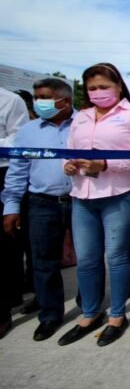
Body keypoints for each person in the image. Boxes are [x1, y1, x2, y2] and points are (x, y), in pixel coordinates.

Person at [58, 63, 130, 347]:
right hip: (82, 196)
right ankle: (90, 313)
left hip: (118, 194)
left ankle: (117, 315)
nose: (98, 93)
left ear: (119, 87)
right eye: (92, 88)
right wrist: (68, 164)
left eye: (104, 87)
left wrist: (106, 164)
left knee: (116, 257)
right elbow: (69, 149)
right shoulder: (82, 117)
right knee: (87, 259)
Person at [2, 79, 74, 341]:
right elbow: (18, 170)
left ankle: (91, 308)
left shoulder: (85, 125)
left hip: (81, 200)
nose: (37, 102)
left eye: (44, 97)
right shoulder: (28, 131)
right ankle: (50, 315)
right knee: (43, 262)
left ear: (65, 101)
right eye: (36, 96)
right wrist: (11, 205)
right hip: (42, 202)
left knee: (91, 260)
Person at [0, 87, 30, 339]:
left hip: (3, 172)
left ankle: (5, 306)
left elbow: (18, 143)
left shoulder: (9, 101)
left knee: (5, 245)